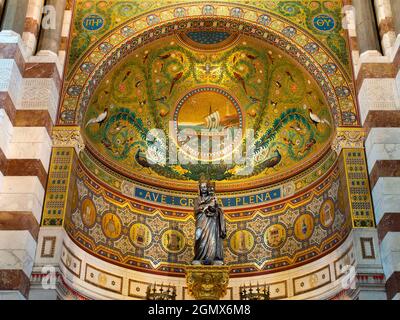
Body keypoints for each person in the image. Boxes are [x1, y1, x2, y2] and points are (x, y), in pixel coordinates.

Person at [192, 180, 226, 265]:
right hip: (201, 220)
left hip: (211, 222)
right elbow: (196, 210)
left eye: (205, 187)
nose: (203, 189)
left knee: (212, 238)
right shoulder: (197, 199)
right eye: (202, 187)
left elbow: (218, 211)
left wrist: (214, 207)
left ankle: (211, 257)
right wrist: (207, 205)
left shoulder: (212, 198)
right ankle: (199, 257)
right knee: (199, 237)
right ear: (199, 188)